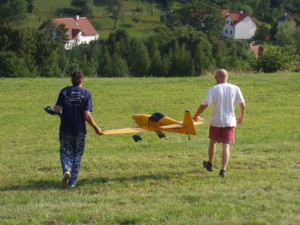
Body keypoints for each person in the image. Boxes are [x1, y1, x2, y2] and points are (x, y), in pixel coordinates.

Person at [54, 71, 102, 188]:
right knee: (77, 155)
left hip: (65, 129)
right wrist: (96, 127)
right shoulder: (87, 93)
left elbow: (56, 110)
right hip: (80, 131)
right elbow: (86, 115)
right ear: (81, 80)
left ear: (72, 80)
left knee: (66, 151)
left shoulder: (64, 91)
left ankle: (67, 170)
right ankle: (73, 182)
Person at [193, 69, 245, 178]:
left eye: (216, 77)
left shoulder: (214, 89)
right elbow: (242, 105)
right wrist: (241, 117)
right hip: (230, 121)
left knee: (212, 142)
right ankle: (223, 170)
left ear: (220, 77)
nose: (215, 79)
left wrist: (196, 116)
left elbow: (204, 105)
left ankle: (210, 163)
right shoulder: (235, 88)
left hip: (216, 121)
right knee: (226, 147)